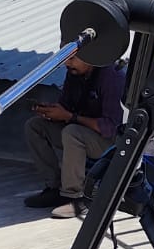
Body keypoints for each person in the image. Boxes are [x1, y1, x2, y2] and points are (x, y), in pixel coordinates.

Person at [24, 52, 126, 218]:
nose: (67, 63)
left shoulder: (112, 77)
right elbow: (66, 107)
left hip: (110, 143)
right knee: (34, 126)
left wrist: (70, 117)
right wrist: (51, 112)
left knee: (72, 132)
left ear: (90, 56)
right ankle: (55, 188)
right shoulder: (74, 74)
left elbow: (111, 127)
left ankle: (77, 198)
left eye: (72, 58)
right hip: (80, 131)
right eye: (65, 58)